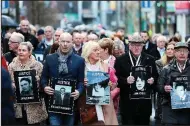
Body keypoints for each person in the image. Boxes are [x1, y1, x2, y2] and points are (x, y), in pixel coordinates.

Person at [41, 32, 85, 125]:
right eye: (63, 41)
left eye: (68, 42)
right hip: (53, 103)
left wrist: (79, 91)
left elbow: (81, 81)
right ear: (59, 42)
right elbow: (44, 77)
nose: (65, 44)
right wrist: (45, 86)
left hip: (71, 104)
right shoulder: (49, 58)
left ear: (72, 42)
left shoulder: (80, 60)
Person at [114, 34, 158, 125]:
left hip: (144, 103)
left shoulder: (150, 59)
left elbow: (156, 77)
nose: (136, 48)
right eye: (134, 45)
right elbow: (115, 79)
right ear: (129, 46)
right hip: (127, 103)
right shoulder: (120, 60)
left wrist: (153, 80)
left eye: (139, 45)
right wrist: (125, 80)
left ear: (142, 46)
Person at [8, 42, 48, 125]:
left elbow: (44, 82)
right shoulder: (12, 66)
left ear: (29, 52)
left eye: (23, 50)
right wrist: (12, 85)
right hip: (18, 106)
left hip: (34, 106)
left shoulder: (38, 65)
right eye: (19, 50)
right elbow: (8, 81)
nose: (21, 52)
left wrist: (36, 83)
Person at [80, 41, 118, 125]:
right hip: (87, 103)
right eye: (95, 50)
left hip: (103, 103)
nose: (98, 52)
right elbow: (77, 82)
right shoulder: (81, 65)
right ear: (88, 52)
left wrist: (110, 84)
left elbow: (114, 83)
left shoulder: (104, 65)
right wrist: (82, 82)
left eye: (98, 50)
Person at [157, 42, 190, 125]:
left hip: (187, 110)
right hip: (169, 108)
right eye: (179, 51)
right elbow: (159, 86)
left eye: (184, 51)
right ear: (175, 53)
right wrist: (164, 88)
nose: (182, 53)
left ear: (188, 53)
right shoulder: (166, 69)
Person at [155, 43, 175, 120]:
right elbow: (160, 79)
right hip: (162, 94)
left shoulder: (179, 63)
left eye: (172, 49)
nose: (170, 51)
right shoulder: (159, 63)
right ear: (165, 51)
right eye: (168, 49)